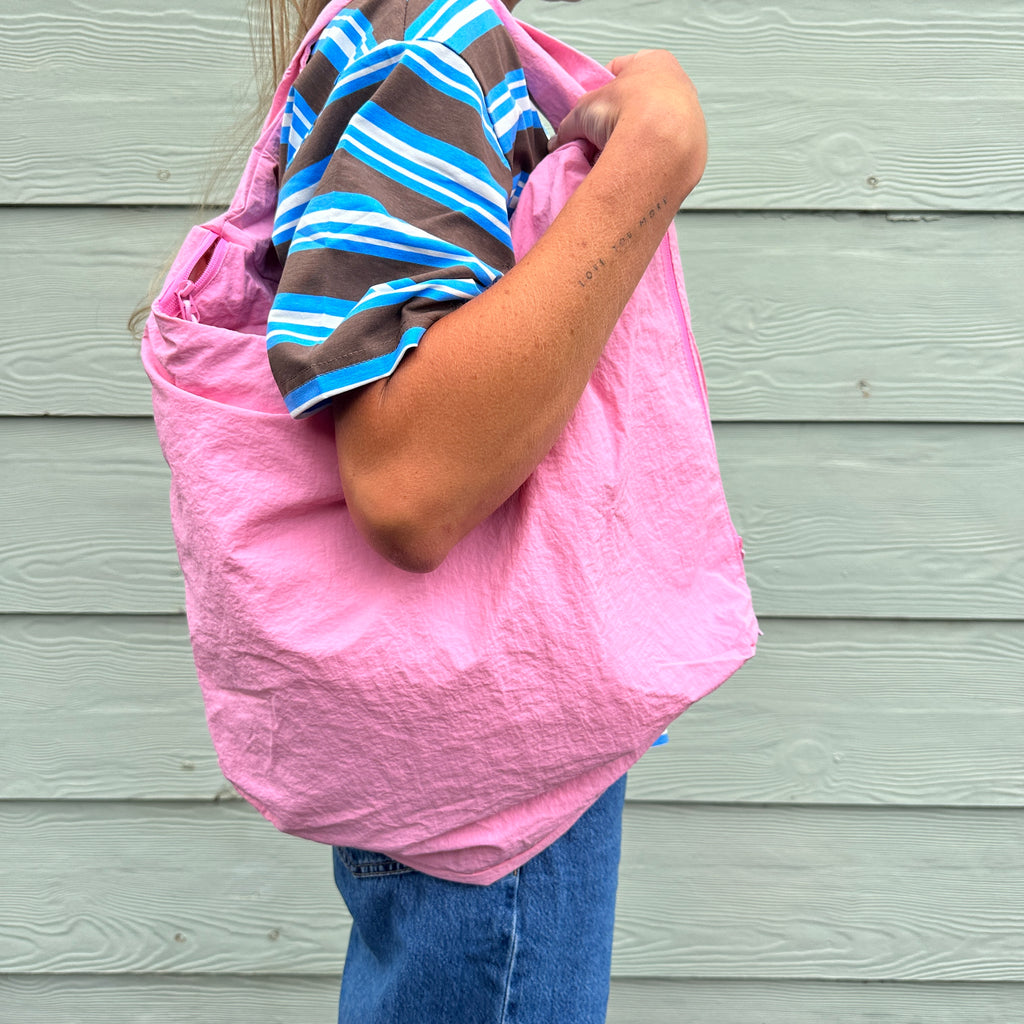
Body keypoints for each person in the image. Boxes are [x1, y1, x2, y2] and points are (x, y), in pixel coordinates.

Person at [257, 0, 707, 1019]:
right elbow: (408, 486)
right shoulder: (436, 41)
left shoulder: (412, 38)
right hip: (495, 793)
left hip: (468, 763)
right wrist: (656, 155)